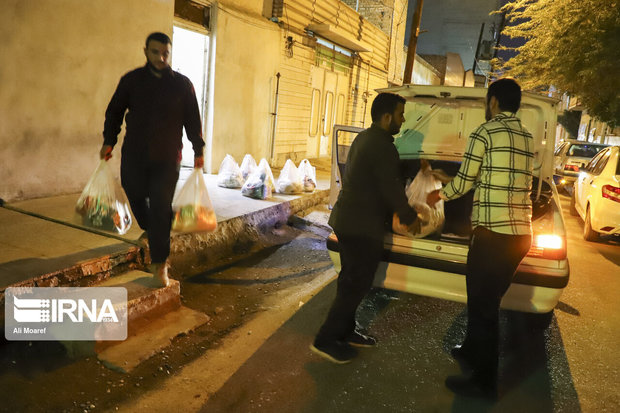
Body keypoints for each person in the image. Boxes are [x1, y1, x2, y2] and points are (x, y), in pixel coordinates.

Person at [427, 78, 534, 399]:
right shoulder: (527, 138)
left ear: (493, 102)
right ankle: (472, 351)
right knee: (485, 301)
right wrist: (455, 179)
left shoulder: (484, 133)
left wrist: (437, 194)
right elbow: (489, 176)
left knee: (484, 308)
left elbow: (463, 185)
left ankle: (484, 383)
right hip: (520, 237)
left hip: (493, 235)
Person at [310, 92, 422, 364]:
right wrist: (409, 216)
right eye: (400, 114)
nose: (403, 119)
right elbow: (390, 188)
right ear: (386, 117)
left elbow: (378, 178)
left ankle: (346, 332)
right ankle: (326, 339)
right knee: (355, 285)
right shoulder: (382, 146)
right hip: (360, 226)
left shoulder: (366, 138)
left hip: (350, 222)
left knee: (351, 281)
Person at [100, 32, 205, 287]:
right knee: (133, 191)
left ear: (170, 53)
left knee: (159, 206)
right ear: (145, 51)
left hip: (167, 159)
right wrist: (109, 140)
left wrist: (198, 149)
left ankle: (159, 264)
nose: (161, 57)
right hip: (134, 154)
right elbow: (114, 112)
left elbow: (193, 119)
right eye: (155, 52)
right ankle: (158, 224)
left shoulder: (182, 85)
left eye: (165, 53)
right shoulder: (132, 81)